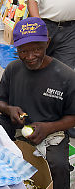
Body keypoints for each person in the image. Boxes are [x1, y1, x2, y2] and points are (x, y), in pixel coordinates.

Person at [0, 17, 75, 189]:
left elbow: (73, 116)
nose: (30, 56)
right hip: (16, 129)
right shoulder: (13, 69)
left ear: (47, 43)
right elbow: (0, 102)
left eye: (37, 49)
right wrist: (10, 110)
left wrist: (49, 127)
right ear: (16, 48)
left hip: (52, 132)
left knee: (58, 166)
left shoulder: (67, 76)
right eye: (23, 51)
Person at [27, 0, 75, 137]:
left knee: (65, 76)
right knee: (35, 70)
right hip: (45, 24)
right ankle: (28, 116)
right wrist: (39, 27)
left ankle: (63, 123)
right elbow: (32, 1)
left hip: (71, 30)